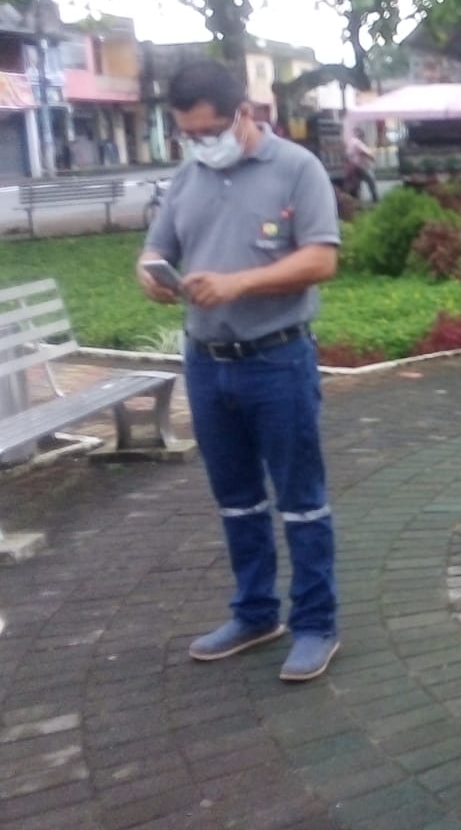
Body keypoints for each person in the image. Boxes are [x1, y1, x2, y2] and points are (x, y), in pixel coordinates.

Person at [137, 60, 342, 682]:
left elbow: (321, 259)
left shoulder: (297, 168)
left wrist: (238, 284)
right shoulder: (188, 175)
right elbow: (156, 248)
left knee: (300, 501)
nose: (201, 143)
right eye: (189, 134)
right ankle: (254, 614)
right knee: (236, 501)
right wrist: (151, 275)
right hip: (207, 364)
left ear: (244, 114)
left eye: (210, 131)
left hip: (277, 359)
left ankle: (315, 624)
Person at [345, 126, 378, 203]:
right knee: (370, 179)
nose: (362, 136)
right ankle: (375, 198)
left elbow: (348, 154)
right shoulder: (357, 142)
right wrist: (373, 158)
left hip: (352, 166)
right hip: (360, 166)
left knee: (356, 183)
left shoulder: (351, 142)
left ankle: (355, 200)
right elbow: (365, 152)